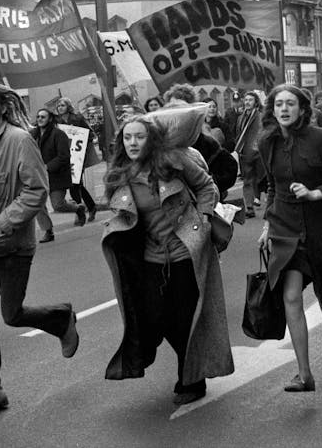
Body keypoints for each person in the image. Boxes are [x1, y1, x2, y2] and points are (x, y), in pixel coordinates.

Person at [0, 83, 79, 419]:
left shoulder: (19, 140)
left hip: (12, 245)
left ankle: (60, 317)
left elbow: (35, 191)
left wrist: (2, 225)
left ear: (3, 108)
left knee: (11, 314)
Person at [102, 115, 234, 405]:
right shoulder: (120, 172)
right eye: (127, 137)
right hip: (149, 257)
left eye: (139, 136)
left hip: (185, 251)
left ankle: (191, 380)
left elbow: (206, 186)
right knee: (154, 318)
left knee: (185, 318)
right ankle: (170, 364)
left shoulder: (172, 161)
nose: (133, 142)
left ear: (151, 139)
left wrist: (205, 218)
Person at [256, 85, 322, 392]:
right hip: (284, 226)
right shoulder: (266, 141)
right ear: (272, 110)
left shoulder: (319, 138)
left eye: (290, 104)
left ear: (302, 109)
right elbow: (273, 187)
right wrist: (266, 226)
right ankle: (304, 374)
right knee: (291, 296)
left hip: (319, 223)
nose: (284, 109)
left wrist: (316, 193)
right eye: (279, 104)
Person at [31, 108, 88, 243]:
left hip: (56, 175)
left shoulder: (58, 134)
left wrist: (47, 166)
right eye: (38, 116)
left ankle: (78, 208)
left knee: (58, 205)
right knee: (38, 204)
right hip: (38, 175)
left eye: (43, 117)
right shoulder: (32, 135)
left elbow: (64, 156)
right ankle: (48, 231)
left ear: (50, 119)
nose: (40, 119)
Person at [56, 97, 99, 222]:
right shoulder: (56, 121)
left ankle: (79, 211)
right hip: (64, 158)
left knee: (74, 184)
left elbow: (90, 134)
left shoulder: (78, 118)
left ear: (68, 106)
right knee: (75, 184)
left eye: (62, 105)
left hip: (77, 156)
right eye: (58, 106)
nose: (60, 107)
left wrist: (79, 138)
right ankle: (91, 207)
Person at [235, 91, 265, 218]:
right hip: (245, 154)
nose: (247, 102)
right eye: (246, 100)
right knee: (247, 180)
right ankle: (249, 207)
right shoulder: (240, 118)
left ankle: (270, 206)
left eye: (250, 100)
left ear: (256, 102)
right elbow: (238, 134)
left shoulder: (261, 116)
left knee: (261, 179)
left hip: (259, 153)